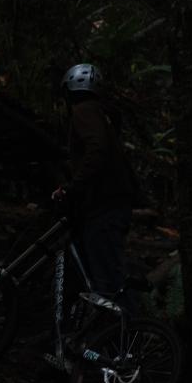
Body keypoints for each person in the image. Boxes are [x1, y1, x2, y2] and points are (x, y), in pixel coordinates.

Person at [52, 63, 136, 307]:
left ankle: (126, 326)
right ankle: (123, 323)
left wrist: (73, 187)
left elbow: (97, 150)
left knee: (108, 278)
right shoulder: (102, 114)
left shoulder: (84, 111)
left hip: (104, 207)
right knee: (108, 271)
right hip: (111, 204)